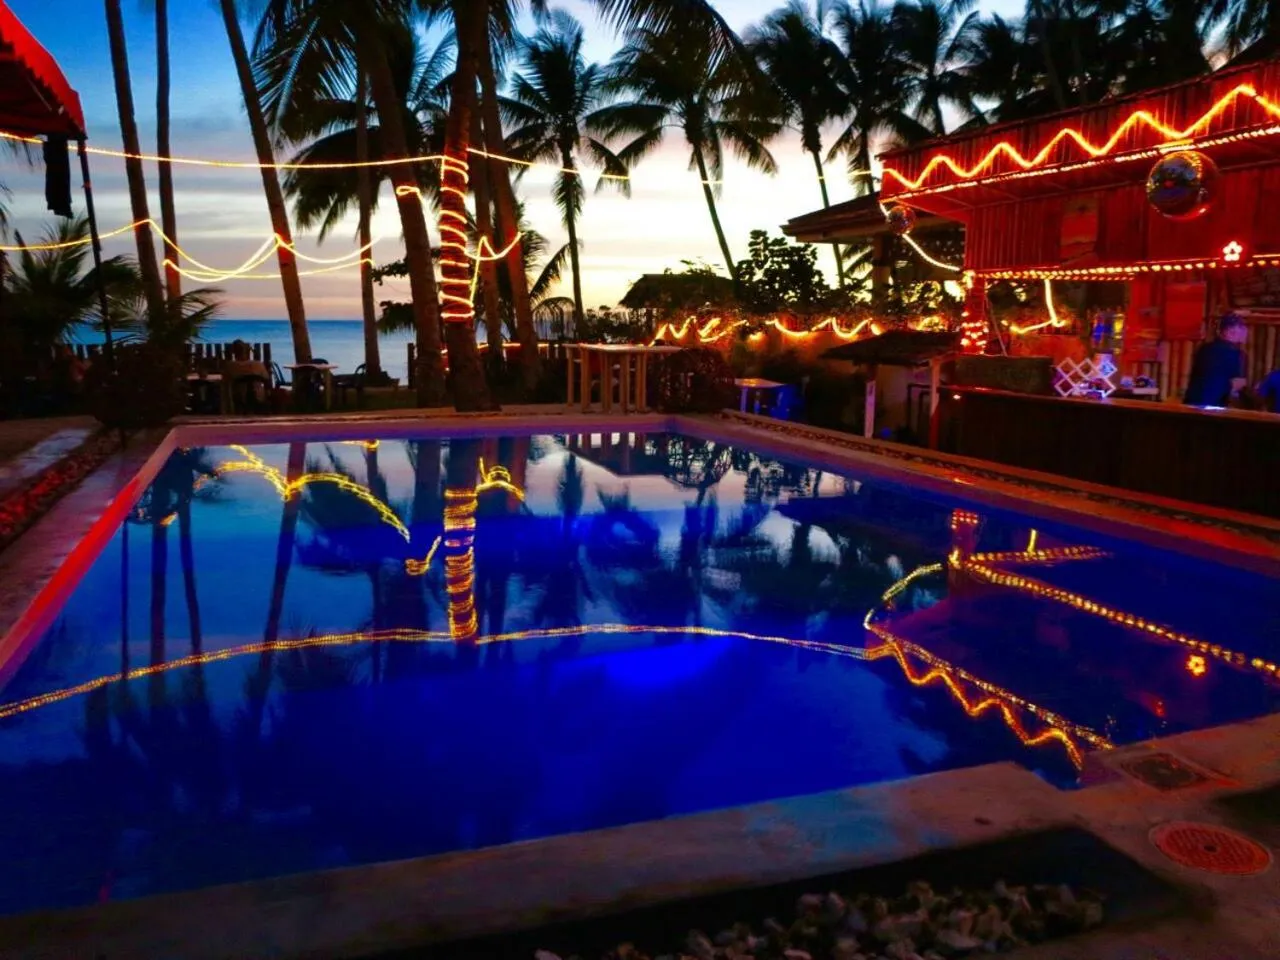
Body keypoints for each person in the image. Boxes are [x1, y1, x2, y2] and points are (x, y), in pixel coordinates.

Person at [1183, 312, 1248, 408]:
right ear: (1229, 331)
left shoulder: (1204, 348)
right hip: (1214, 406)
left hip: (1192, 403)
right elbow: (1237, 383)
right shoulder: (1235, 354)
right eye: (1241, 327)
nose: (1245, 331)